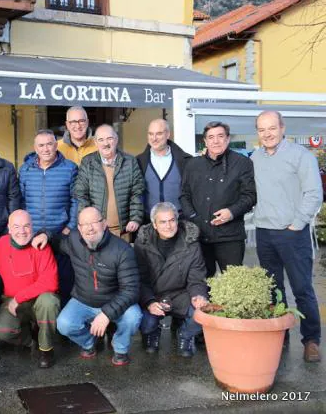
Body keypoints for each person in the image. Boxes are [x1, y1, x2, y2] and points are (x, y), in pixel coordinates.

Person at [251, 111, 322, 363]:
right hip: (265, 233)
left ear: (282, 128)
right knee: (273, 289)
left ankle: (311, 340)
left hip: (293, 233)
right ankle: (278, 336)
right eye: (261, 130)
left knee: (302, 289)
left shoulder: (300, 156)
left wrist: (297, 224)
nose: (267, 134)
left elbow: (314, 193)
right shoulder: (256, 157)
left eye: (271, 128)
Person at [33, 207, 142, 366]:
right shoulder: (74, 240)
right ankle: (89, 342)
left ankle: (119, 347)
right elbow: (56, 240)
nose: (90, 228)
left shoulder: (122, 250)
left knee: (133, 317)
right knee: (64, 324)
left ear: (104, 224)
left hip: (113, 301)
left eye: (94, 222)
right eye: (84, 224)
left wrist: (106, 314)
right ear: (79, 228)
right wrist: (44, 234)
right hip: (83, 300)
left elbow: (131, 290)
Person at [0, 210, 61, 368]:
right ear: (9, 228)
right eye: (17, 226)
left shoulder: (41, 246)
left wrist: (18, 298)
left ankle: (46, 349)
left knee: (49, 301)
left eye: (27, 226)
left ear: (33, 227)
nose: (22, 231)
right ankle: (29, 336)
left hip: (39, 300)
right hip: (12, 301)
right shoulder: (1, 243)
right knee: (2, 332)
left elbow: (51, 283)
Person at [180, 121, 256, 277]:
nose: (216, 141)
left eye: (220, 136)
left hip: (230, 237)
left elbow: (250, 196)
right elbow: (184, 195)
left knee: (233, 285)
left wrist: (231, 212)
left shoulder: (243, 163)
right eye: (211, 137)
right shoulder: (192, 165)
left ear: (227, 139)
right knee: (201, 285)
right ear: (205, 141)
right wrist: (194, 218)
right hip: (198, 235)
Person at [134, 202, 208, 357]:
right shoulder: (143, 243)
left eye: (172, 220)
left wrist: (197, 296)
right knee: (144, 322)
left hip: (180, 293)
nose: (168, 226)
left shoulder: (190, 242)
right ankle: (152, 331)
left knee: (202, 313)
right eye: (162, 222)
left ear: (177, 219)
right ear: (154, 224)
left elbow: (197, 277)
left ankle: (185, 335)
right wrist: (149, 302)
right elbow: (139, 279)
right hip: (153, 294)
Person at [19, 129, 78, 305]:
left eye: (50, 144)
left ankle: (63, 325)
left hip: (61, 235)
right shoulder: (26, 169)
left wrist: (69, 227)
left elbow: (77, 200)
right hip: (34, 236)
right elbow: (21, 201)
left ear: (56, 145)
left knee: (64, 280)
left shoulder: (70, 168)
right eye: (41, 145)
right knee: (35, 281)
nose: (46, 149)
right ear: (35, 148)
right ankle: (37, 323)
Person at [74, 124, 145, 242]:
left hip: (124, 231)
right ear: (96, 143)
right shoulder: (87, 162)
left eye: (109, 139)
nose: (105, 143)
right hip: (96, 231)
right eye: (101, 140)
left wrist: (135, 218)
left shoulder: (130, 161)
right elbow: (81, 195)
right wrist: (88, 223)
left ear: (116, 140)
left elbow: (137, 192)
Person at [136, 119, 191, 221]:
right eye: (151, 134)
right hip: (148, 221)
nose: (154, 138)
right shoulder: (138, 161)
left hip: (179, 220)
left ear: (168, 134)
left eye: (159, 134)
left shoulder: (186, 161)